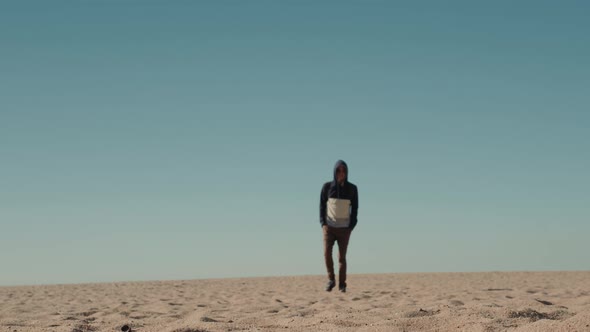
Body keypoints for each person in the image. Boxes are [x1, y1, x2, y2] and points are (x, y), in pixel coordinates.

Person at [319, 160, 358, 293]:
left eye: (343, 170)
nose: (341, 173)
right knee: (326, 254)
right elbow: (322, 206)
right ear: (334, 172)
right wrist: (323, 223)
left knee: (342, 257)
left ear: (347, 172)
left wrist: (351, 225)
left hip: (344, 229)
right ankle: (331, 280)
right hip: (329, 228)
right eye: (338, 170)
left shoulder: (352, 189)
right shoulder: (327, 187)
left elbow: (355, 209)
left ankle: (342, 285)